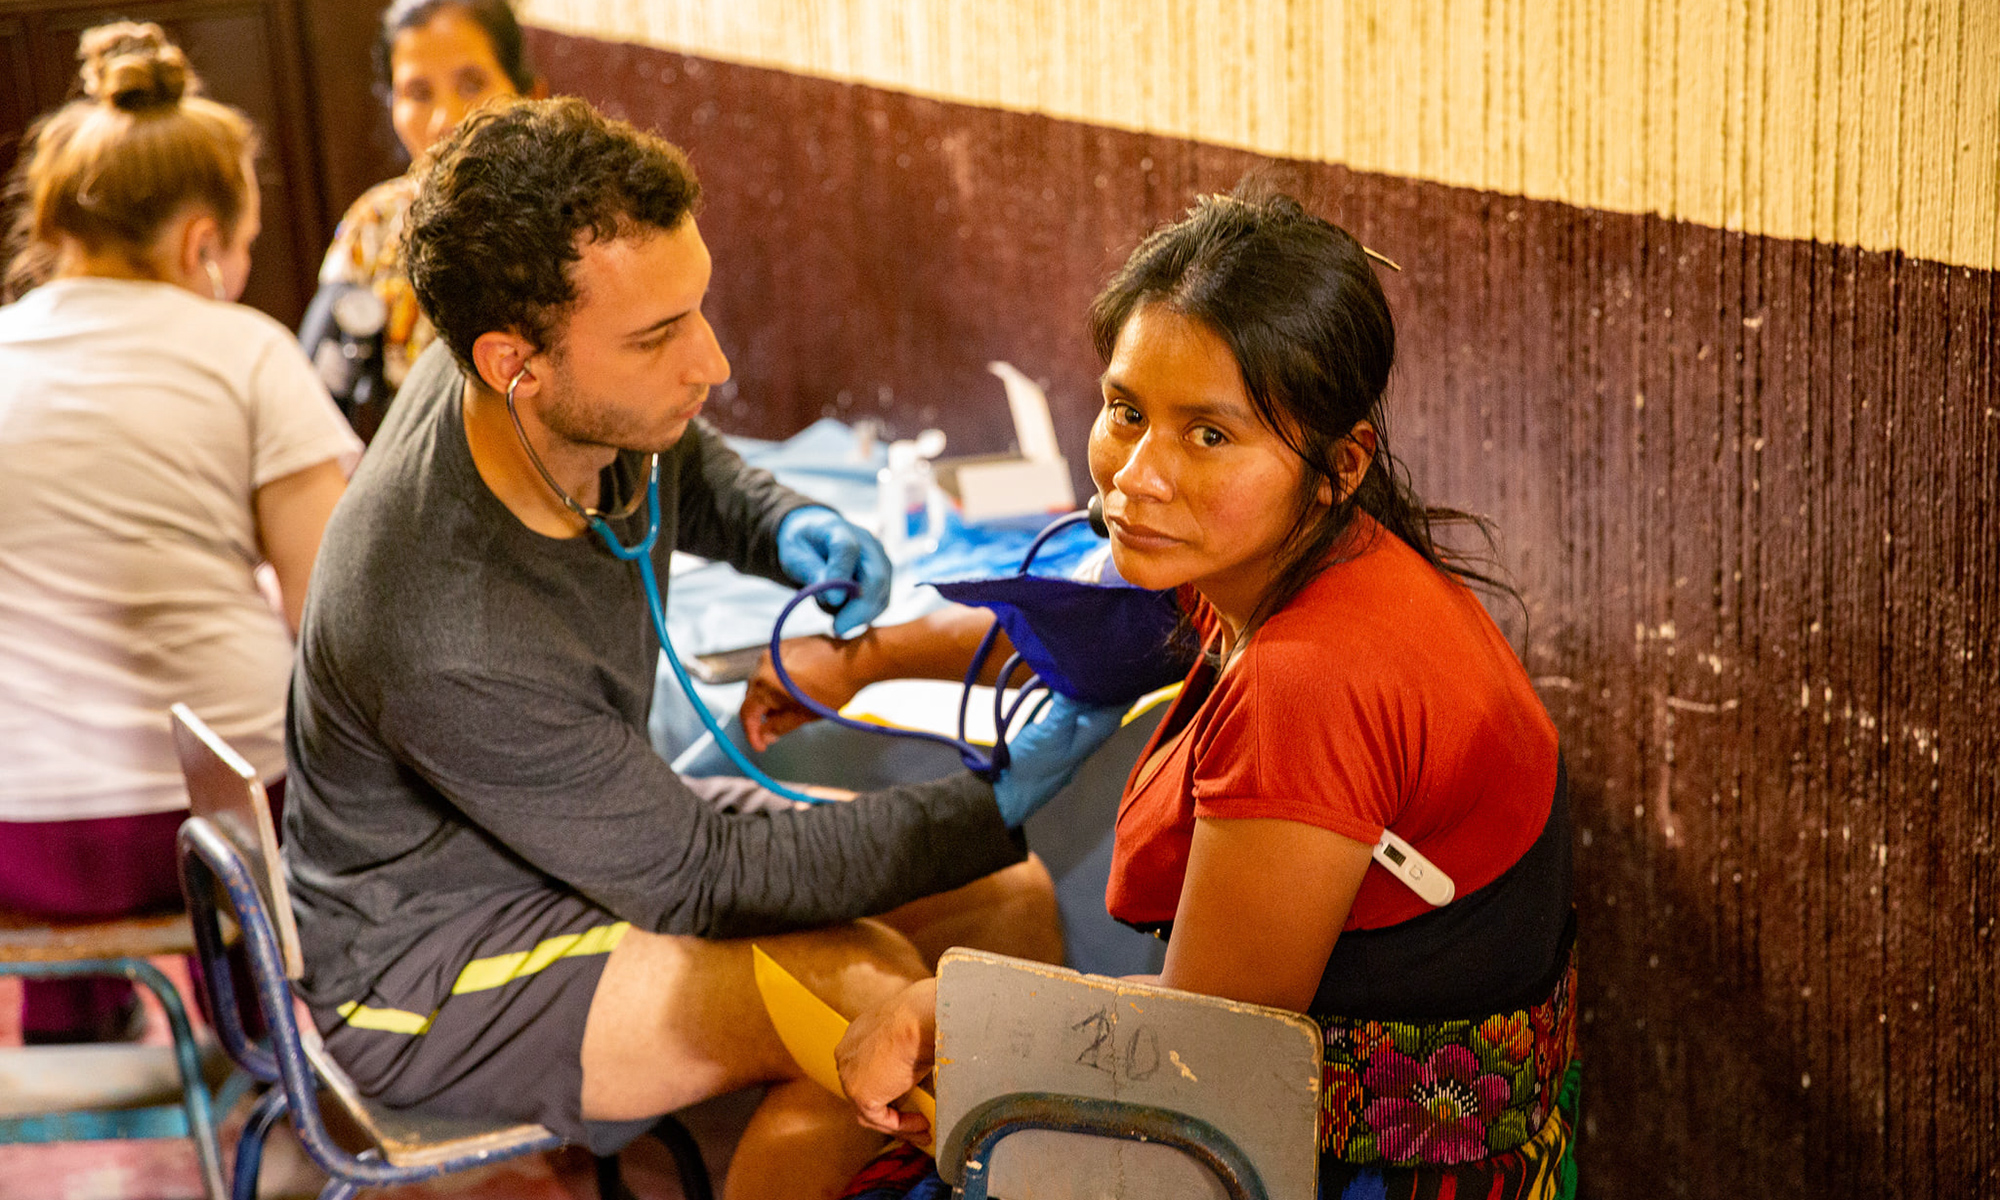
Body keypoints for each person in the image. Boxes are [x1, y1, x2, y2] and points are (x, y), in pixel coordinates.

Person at [282, 95, 1122, 1200]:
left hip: (574, 837)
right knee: (862, 1009)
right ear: (509, 361)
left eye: (697, 312)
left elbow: (674, 448)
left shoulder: (539, 384)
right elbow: (699, 876)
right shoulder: (442, 622)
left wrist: (781, 526)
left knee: (1004, 901)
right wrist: (997, 793)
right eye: (657, 338)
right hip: (432, 964)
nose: (712, 363)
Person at [813, 189, 1579, 1199]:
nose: (1135, 475)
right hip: (1409, 1134)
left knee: (847, 1166)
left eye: (1206, 436)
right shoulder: (1317, 559)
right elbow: (1096, 630)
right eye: (1125, 410)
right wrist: (859, 660)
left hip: (1343, 1172)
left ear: (1336, 464)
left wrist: (936, 1008)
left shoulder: (1311, 680)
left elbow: (1201, 1062)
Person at [0, 22, 360, 1043]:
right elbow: (325, 614)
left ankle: (77, 1023)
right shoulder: (246, 353)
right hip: (207, 830)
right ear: (204, 242)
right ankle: (264, 1041)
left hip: (11, 837)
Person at [304, 0, 541, 428]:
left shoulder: (566, 224)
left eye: (472, 84)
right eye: (418, 93)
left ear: (529, 94)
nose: (444, 120)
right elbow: (318, 396)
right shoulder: (374, 225)